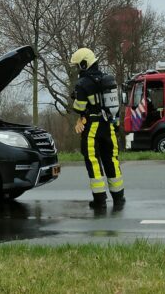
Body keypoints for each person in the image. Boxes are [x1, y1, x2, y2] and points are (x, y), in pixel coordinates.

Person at [70, 48, 124, 209]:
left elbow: (80, 107)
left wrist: (76, 97)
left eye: (79, 65)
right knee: (112, 160)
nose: (78, 68)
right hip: (109, 125)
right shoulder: (107, 79)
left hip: (92, 127)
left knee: (93, 160)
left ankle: (100, 200)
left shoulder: (82, 84)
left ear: (85, 64)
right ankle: (119, 197)